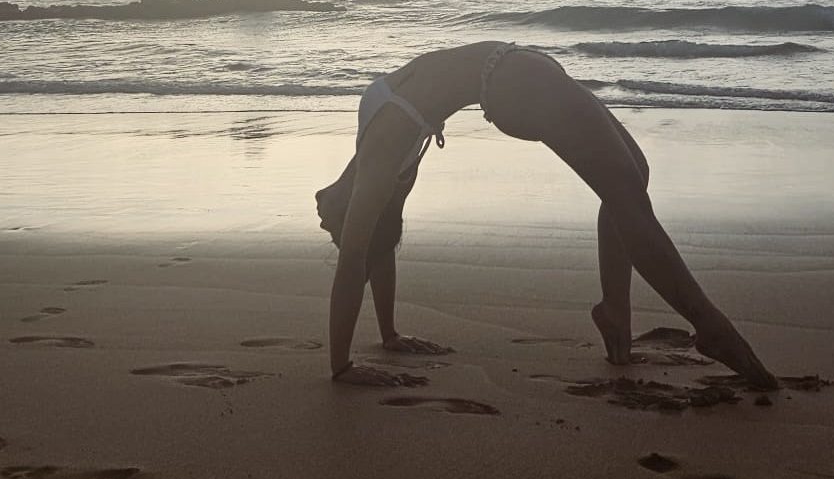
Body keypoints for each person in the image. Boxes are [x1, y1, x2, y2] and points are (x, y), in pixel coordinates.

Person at [315, 41, 778, 390]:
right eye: (335, 221)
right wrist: (342, 367)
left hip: (517, 75)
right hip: (516, 80)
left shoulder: (379, 152)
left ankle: (616, 310)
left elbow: (367, 248)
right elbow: (358, 257)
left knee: (634, 175)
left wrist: (390, 335)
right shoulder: (382, 151)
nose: (325, 221)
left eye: (341, 221)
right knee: (625, 194)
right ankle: (710, 325)